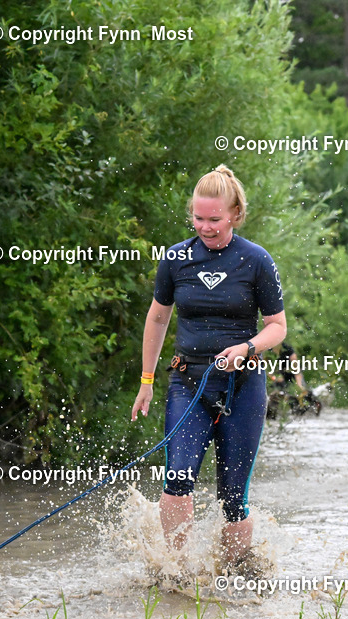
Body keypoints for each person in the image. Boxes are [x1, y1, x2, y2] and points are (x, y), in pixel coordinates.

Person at [131, 165, 286, 575]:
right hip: (188, 383)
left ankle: (235, 577)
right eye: (198, 219)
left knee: (233, 497)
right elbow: (159, 318)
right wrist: (146, 382)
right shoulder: (176, 258)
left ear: (235, 213)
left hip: (242, 386)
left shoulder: (256, 260)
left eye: (214, 219)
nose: (205, 227)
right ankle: (175, 573)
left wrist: (247, 346)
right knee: (178, 477)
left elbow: (278, 327)